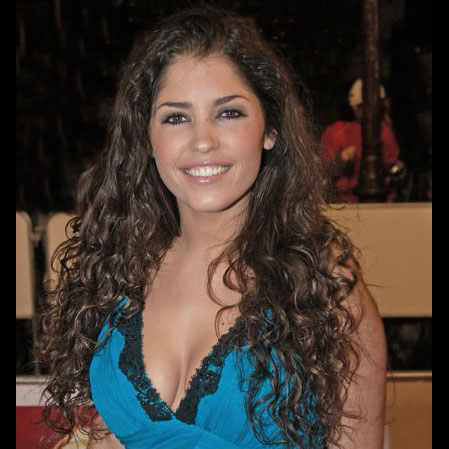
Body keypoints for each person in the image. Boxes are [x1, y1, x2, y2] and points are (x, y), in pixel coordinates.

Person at [39, 6, 387, 449]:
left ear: (270, 130)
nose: (202, 141)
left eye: (229, 113)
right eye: (176, 118)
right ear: (147, 138)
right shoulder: (119, 268)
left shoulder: (322, 284)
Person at [321, 78, 401, 203]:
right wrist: (340, 160)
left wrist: (397, 170)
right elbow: (323, 171)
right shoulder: (337, 132)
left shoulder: (385, 132)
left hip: (380, 202)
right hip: (345, 204)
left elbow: (393, 167)